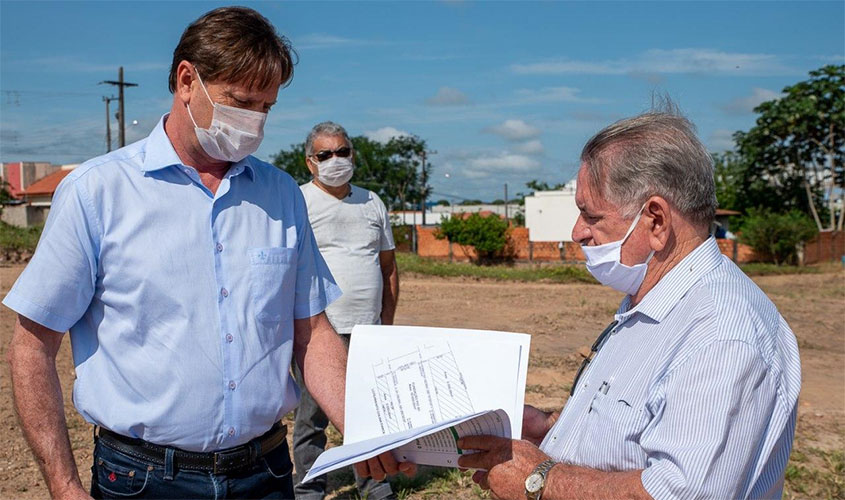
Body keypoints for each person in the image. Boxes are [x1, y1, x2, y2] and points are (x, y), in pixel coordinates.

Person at [3, 7, 408, 499]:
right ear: (186, 81)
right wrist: (64, 486)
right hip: (143, 480)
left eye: (266, 107)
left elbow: (313, 332)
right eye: (241, 102)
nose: (254, 121)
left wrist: (361, 427)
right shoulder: (97, 192)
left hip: (266, 474)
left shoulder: (281, 195)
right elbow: (32, 346)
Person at [457, 109, 801, 500]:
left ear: (656, 220)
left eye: (591, 215)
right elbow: (646, 421)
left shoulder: (721, 337)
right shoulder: (658, 302)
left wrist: (540, 479)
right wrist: (552, 427)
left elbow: (678, 493)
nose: (577, 232)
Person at [292, 122, 399, 500]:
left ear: (353, 154)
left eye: (342, 152)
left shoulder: (372, 202)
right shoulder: (298, 201)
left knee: (367, 414)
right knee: (312, 418)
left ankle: (375, 485)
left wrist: (386, 323)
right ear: (310, 162)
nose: (335, 160)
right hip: (317, 331)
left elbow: (388, 267)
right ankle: (308, 488)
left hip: (367, 330)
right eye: (325, 155)